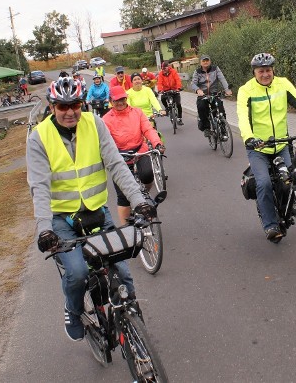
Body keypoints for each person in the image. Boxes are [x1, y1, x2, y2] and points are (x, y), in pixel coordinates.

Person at [26, 77, 156, 342]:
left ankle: (131, 321)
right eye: (62, 106)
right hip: (62, 220)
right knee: (77, 273)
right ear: (52, 107)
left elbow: (117, 165)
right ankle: (72, 310)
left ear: (82, 104)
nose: (70, 111)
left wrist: (139, 199)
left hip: (97, 213)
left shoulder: (94, 124)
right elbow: (39, 187)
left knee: (123, 273)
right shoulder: (39, 137)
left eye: (74, 104)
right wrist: (45, 230)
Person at [237, 53, 296, 243]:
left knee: (292, 179)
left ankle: (292, 208)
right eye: (261, 71)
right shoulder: (246, 90)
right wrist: (249, 138)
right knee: (264, 183)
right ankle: (270, 225)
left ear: (273, 70)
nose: (266, 74)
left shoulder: (283, 84)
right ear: (254, 72)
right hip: (258, 148)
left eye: (268, 70)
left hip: (282, 143)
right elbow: (242, 117)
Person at [103, 86, 165, 225]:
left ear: (126, 99)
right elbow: (105, 141)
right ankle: (127, 232)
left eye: (122, 99)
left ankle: (144, 194)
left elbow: (148, 129)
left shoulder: (137, 112)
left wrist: (157, 143)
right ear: (111, 101)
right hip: (119, 158)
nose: (120, 102)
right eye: (116, 100)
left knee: (148, 174)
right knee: (123, 196)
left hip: (139, 151)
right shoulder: (106, 119)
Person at [190, 55, 232, 137]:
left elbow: (222, 79)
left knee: (220, 109)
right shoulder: (197, 71)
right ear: (200, 62)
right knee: (201, 107)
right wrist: (198, 90)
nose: (205, 62)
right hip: (203, 94)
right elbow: (193, 83)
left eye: (207, 60)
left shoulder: (215, 69)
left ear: (210, 61)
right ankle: (206, 128)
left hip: (214, 94)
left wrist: (227, 89)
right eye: (203, 61)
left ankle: (223, 131)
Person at [158, 61, 184, 125]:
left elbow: (177, 80)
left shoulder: (173, 72)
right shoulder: (161, 74)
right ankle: (167, 109)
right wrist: (160, 90)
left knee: (178, 104)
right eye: (162, 68)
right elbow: (159, 82)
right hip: (166, 90)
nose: (163, 70)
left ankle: (179, 118)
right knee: (163, 99)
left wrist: (178, 88)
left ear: (168, 67)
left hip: (174, 90)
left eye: (165, 68)